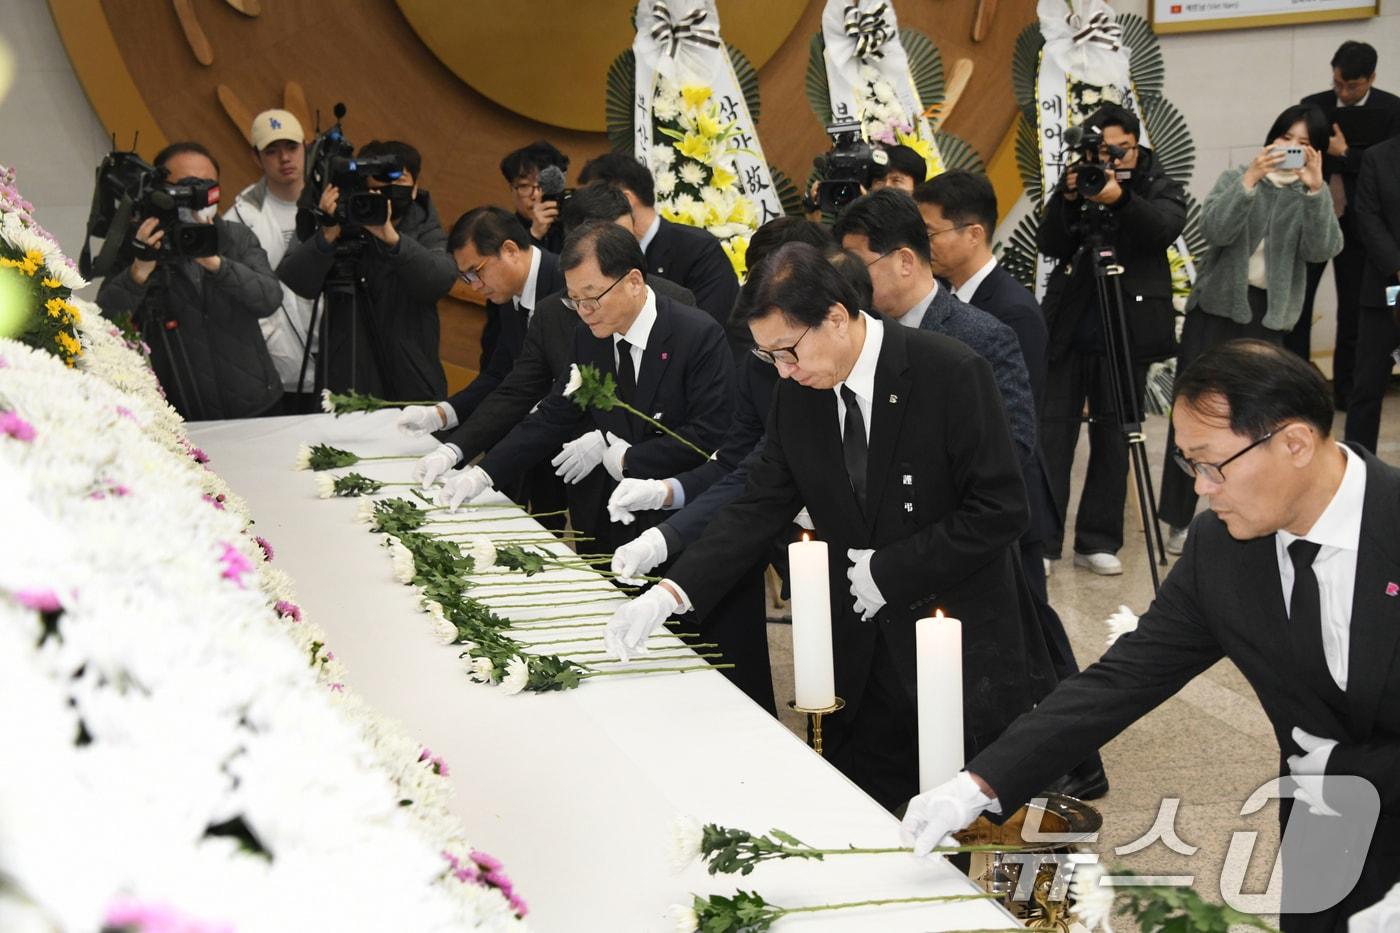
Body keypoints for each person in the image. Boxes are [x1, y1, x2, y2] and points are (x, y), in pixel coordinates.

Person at [903, 339, 1400, 933]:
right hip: (1325, 820)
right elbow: (1126, 675)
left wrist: (1356, 768)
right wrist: (979, 783)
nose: (1200, 489)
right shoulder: (1223, 549)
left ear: (1294, 443)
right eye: (1190, 465)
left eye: (1212, 464)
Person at [603, 242, 1056, 812]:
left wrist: (891, 571)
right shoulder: (799, 395)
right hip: (861, 658)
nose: (784, 370)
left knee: (956, 840)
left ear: (837, 318)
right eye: (771, 358)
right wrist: (671, 593)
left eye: (788, 351)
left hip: (955, 647)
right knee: (862, 814)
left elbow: (1002, 509)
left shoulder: (949, 371)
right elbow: (756, 502)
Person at [915, 170, 1105, 798]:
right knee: (1029, 636)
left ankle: (1083, 759)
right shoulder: (958, 299)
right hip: (987, 507)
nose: (924, 245)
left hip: (1011, 505)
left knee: (1039, 638)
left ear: (972, 232)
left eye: (931, 232)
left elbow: (1016, 424)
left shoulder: (1009, 309)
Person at [433, 221, 733, 556]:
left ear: (634, 282)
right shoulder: (588, 336)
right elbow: (553, 415)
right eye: (575, 300)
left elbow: (709, 434)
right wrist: (483, 474)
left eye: (592, 297)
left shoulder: (696, 335)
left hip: (678, 520)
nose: (584, 312)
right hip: (611, 515)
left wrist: (630, 457)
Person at [401, 185, 695, 485]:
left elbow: (689, 410)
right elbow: (525, 390)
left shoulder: (674, 305)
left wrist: (609, 438)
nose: (584, 309)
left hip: (655, 480)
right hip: (573, 473)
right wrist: (461, 456)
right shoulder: (554, 308)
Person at [1159, 106, 1342, 553]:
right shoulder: (1240, 177)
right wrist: (1250, 181)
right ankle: (1179, 519)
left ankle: (1255, 512)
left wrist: (1317, 190)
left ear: (1313, 153)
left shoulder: (1309, 195)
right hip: (1217, 310)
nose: (1288, 149)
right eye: (1283, 137)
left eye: (1300, 143)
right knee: (1193, 413)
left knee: (1259, 420)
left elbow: (1324, 249)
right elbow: (1215, 230)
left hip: (1268, 316)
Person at [1038, 103, 1187, 576]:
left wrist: (1118, 197)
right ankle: (1042, 541)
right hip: (1069, 329)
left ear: (1137, 145)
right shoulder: (1081, 181)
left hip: (1125, 331)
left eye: (1117, 148)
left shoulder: (1157, 184)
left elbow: (1161, 231)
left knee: (1114, 437)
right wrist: (1066, 201)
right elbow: (1051, 243)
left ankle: (1098, 541)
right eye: (1101, 150)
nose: (1108, 158)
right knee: (1052, 437)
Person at [833, 189, 1038, 471]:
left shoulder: (984, 336)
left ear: (905, 262)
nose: (850, 279)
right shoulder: (856, 329)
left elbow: (1014, 443)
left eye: (858, 264)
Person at [97, 141, 283, 420]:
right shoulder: (142, 244)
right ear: (160, 191)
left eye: (208, 185)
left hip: (257, 403)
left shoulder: (236, 237)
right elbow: (105, 322)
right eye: (187, 185)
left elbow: (269, 298)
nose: (198, 195)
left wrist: (215, 263)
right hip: (181, 415)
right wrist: (138, 272)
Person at [278, 139, 457, 403]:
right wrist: (327, 233)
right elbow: (296, 279)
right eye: (379, 184)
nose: (388, 189)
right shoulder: (339, 222)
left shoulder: (426, 229)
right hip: (344, 381)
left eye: (399, 181)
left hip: (410, 385)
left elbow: (439, 280)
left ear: (416, 188)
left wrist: (391, 238)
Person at [1291, 41, 1400, 405]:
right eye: (1338, 82)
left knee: (1354, 309)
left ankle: (1347, 390)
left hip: (1361, 225)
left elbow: (1387, 173)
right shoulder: (1314, 104)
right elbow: (1292, 154)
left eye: (1352, 85)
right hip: (1317, 217)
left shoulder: (1391, 110)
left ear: (1371, 78)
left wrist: (1347, 155)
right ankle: (1297, 388)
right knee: (1298, 307)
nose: (1343, 91)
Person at [576, 152, 740, 335]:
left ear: (626, 199)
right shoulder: (589, 257)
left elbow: (708, 328)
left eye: (596, 199)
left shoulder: (698, 249)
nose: (586, 216)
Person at [224, 109, 318, 414]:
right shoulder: (238, 219)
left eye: (291, 148)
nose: (285, 159)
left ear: (306, 146)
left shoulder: (331, 204)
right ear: (256, 157)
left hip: (335, 356)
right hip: (278, 366)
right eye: (272, 151)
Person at [1347, 135, 1400, 454]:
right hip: (1385, 289)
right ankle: (1358, 467)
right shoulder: (1377, 156)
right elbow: (1366, 217)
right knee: (1367, 385)